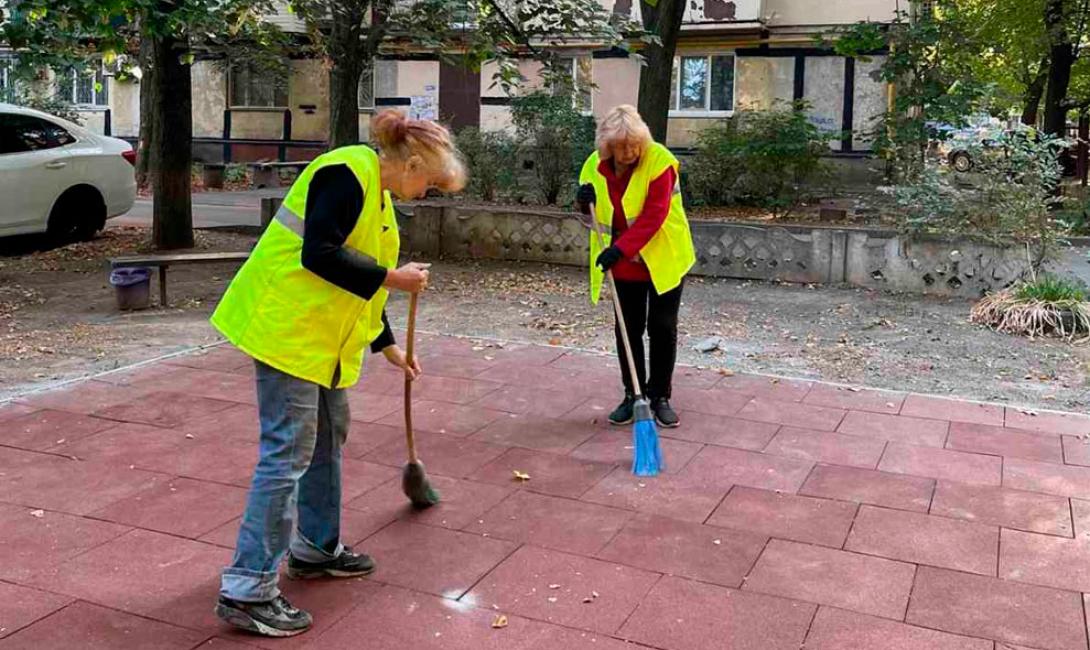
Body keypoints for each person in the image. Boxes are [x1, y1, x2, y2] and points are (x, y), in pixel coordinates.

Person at [209, 110, 466, 638]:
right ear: (411, 164)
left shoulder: (380, 199)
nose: (428, 194)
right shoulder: (346, 172)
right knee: (287, 453)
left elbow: (356, 277)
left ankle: (315, 548)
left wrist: (387, 344)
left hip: (321, 342)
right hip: (287, 331)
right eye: (431, 183)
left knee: (328, 437)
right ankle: (248, 588)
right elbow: (320, 254)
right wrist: (394, 277)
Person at [576, 105, 696, 429]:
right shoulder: (593, 165)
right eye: (622, 146)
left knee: (662, 327)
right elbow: (593, 215)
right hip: (623, 264)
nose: (630, 152)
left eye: (634, 144)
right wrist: (582, 202)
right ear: (607, 146)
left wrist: (620, 249)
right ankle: (633, 395)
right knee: (627, 329)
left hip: (663, 257)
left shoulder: (659, 161)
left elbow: (655, 214)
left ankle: (660, 397)